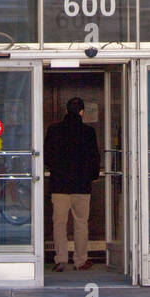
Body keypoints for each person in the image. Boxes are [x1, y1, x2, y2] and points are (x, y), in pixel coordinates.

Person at [44, 97, 100, 272]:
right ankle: (80, 260)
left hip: (59, 185)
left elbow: (47, 156)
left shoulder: (53, 130)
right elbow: (94, 159)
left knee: (59, 223)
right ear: (82, 112)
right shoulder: (88, 132)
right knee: (81, 223)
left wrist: (56, 171)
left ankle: (60, 259)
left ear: (66, 111)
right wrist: (90, 177)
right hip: (81, 187)